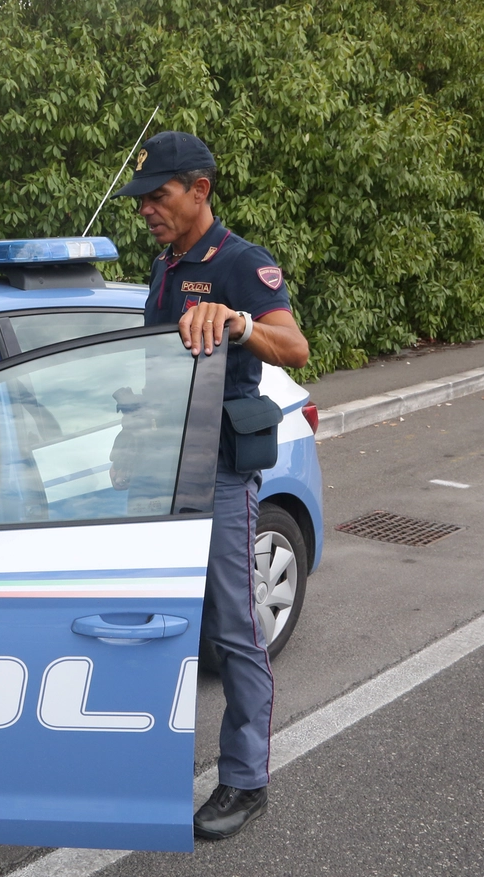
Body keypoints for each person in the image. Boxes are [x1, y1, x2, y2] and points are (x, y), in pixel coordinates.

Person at [114, 130, 310, 841]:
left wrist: (240, 322)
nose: (146, 210)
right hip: (159, 469)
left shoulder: (240, 264)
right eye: (141, 200)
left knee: (234, 631)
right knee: (146, 623)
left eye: (158, 197)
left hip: (221, 472)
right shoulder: (168, 264)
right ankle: (138, 759)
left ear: (200, 190)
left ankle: (245, 780)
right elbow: (155, 370)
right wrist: (126, 441)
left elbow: (295, 346)